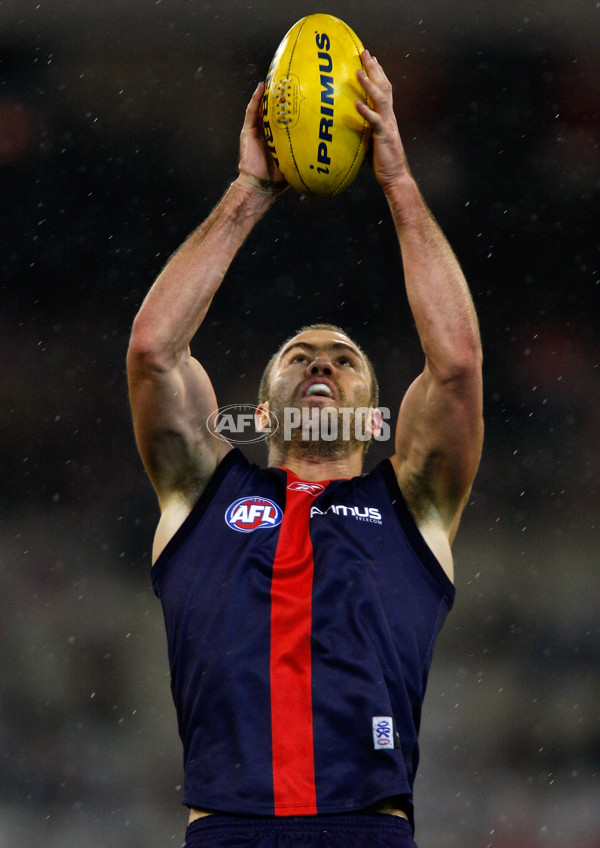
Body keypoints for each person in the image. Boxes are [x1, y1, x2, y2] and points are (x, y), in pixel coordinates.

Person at [127, 51, 483, 848]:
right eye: (299, 355)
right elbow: (154, 352)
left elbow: (456, 367)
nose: (321, 362)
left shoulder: (414, 501)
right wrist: (250, 191)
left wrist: (396, 178)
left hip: (365, 830)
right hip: (230, 831)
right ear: (256, 405)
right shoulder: (201, 492)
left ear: (374, 415)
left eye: (345, 359)